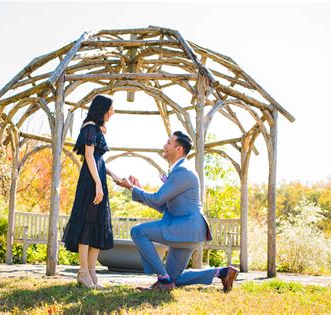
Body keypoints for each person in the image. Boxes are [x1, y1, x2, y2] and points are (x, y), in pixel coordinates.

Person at [117, 131, 239, 292]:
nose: (164, 146)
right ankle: (223, 272)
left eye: (168, 143)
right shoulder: (180, 170)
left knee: (138, 232)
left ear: (179, 149)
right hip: (189, 231)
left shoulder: (183, 171)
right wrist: (139, 189)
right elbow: (161, 205)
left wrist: (131, 188)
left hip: (184, 228)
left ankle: (163, 280)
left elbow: (157, 199)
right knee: (175, 278)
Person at [62, 95, 121, 288]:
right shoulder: (89, 127)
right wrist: (97, 183)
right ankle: (83, 272)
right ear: (102, 108)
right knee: (88, 224)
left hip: (98, 180)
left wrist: (113, 176)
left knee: (97, 225)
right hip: (90, 182)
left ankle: (92, 272)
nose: (112, 112)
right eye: (110, 109)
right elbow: (88, 156)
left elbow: (98, 160)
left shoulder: (97, 129)